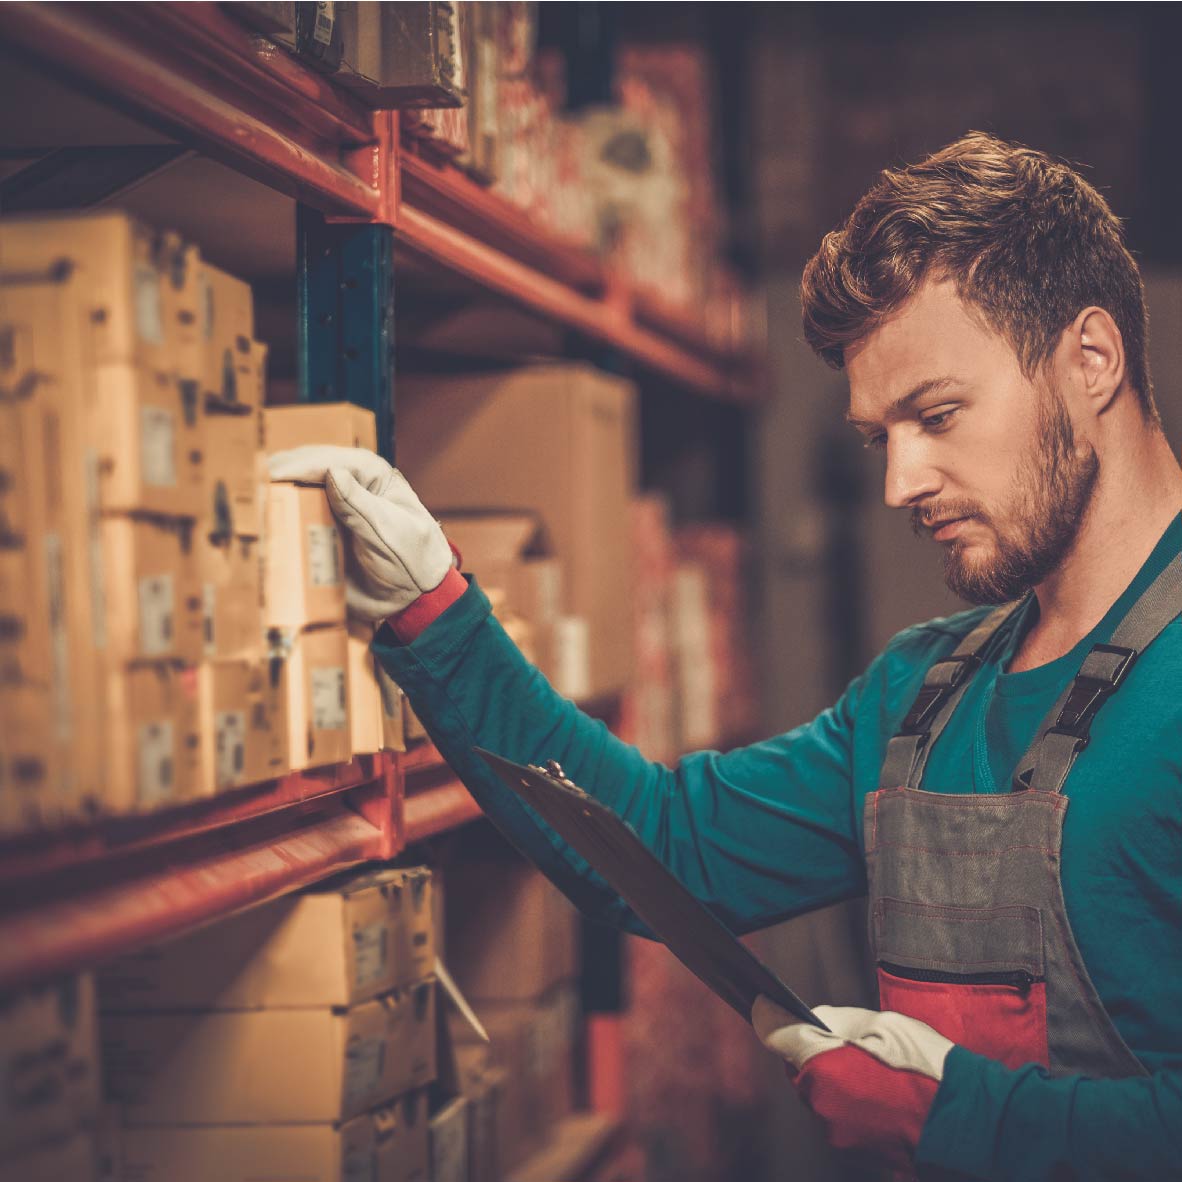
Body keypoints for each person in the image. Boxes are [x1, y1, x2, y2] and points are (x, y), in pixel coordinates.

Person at [269, 132, 1182, 1181]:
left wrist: (957, 1115)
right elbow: (663, 848)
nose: (901, 483)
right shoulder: (923, 699)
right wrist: (436, 613)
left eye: (936, 415)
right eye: (880, 437)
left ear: (1093, 358)